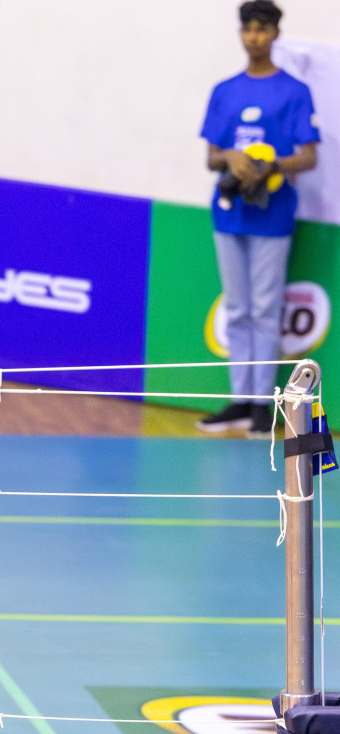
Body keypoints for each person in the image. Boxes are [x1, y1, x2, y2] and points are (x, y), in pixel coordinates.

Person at [196, 0, 320, 437]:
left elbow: (307, 156)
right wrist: (231, 156)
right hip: (230, 214)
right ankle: (240, 399)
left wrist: (270, 167)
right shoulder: (225, 90)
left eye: (263, 29)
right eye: (248, 28)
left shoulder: (294, 91)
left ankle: (264, 404)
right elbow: (212, 154)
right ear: (241, 33)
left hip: (273, 214)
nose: (255, 36)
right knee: (238, 308)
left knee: (266, 309)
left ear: (275, 34)